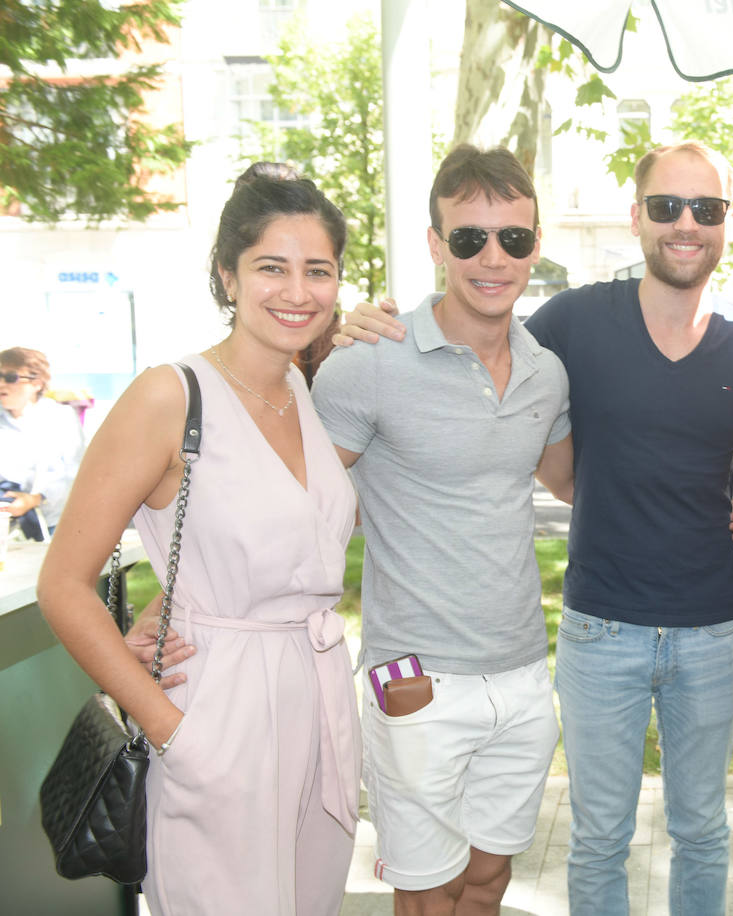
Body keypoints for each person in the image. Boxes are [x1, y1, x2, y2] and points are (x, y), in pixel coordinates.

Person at [338, 142, 733, 916]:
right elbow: (306, 487)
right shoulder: (572, 321)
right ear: (636, 217)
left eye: (705, 209)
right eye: (667, 206)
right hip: (589, 631)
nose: (685, 223)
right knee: (594, 837)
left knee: (697, 830)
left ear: (727, 225)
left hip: (693, 632)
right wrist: (356, 326)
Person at [37, 163, 362, 915]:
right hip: (216, 712)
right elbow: (63, 585)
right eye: (271, 267)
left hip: (316, 703)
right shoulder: (169, 395)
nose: (297, 291)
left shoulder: (300, 390)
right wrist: (174, 732)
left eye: (318, 270)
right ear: (227, 275)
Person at [310, 144, 573, 916]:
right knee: (430, 895)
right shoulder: (370, 361)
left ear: (533, 247)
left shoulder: (544, 371)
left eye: (514, 239)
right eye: (469, 238)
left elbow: (569, 481)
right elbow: (302, 505)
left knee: (488, 881)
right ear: (436, 244)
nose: (493, 258)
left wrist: (699, 502)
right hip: (415, 678)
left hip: (525, 673)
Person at [1, 346, 86, 536]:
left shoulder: (60, 418)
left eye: (10, 378)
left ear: (37, 383)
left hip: (54, 524)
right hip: (6, 526)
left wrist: (35, 499)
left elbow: (75, 472)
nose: (1, 384)